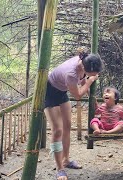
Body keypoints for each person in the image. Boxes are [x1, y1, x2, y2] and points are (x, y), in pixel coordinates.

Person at [44, 50, 103, 180]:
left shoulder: (83, 61)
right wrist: (90, 81)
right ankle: (60, 169)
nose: (95, 76)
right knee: (57, 130)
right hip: (49, 92)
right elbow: (77, 95)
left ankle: (66, 160)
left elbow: (82, 81)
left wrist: (93, 99)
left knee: (67, 126)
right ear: (84, 67)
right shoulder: (71, 73)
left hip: (61, 91)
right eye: (93, 74)